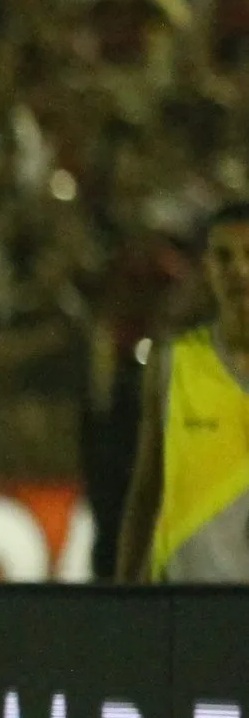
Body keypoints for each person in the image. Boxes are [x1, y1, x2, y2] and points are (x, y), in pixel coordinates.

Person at [122, 203, 249, 581]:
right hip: (186, 606)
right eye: (224, 257)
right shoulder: (173, 364)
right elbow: (146, 491)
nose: (239, 271)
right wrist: (123, 593)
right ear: (206, 267)